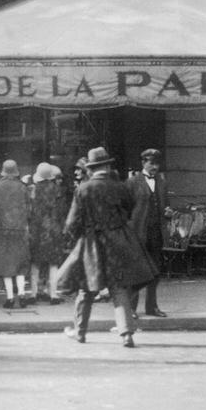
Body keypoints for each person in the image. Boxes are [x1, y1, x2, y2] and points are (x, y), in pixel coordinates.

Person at [60, 146, 156, 347]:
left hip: (92, 244)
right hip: (118, 242)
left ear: (91, 168)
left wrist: (79, 237)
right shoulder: (120, 187)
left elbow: (71, 223)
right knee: (119, 288)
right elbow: (129, 210)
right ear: (107, 166)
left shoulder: (83, 189)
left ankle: (80, 332)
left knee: (86, 289)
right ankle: (126, 333)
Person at [126, 148, 172, 318]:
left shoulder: (162, 182)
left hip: (156, 233)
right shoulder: (132, 182)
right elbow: (125, 209)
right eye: (151, 163)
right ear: (143, 163)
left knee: (155, 271)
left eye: (157, 163)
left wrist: (168, 213)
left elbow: (166, 205)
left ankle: (152, 307)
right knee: (136, 271)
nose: (155, 167)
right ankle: (131, 309)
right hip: (137, 233)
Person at [28, 162, 70, 304]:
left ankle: (34, 294)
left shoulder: (32, 190)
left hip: (37, 230)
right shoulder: (58, 191)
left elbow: (30, 212)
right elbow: (62, 212)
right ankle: (53, 295)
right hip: (53, 230)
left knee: (35, 263)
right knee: (53, 263)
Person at [0, 160, 31, 308]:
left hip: (2, 230)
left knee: (6, 265)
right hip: (20, 229)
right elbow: (29, 209)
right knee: (20, 264)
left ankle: (9, 298)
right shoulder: (23, 187)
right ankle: (21, 294)